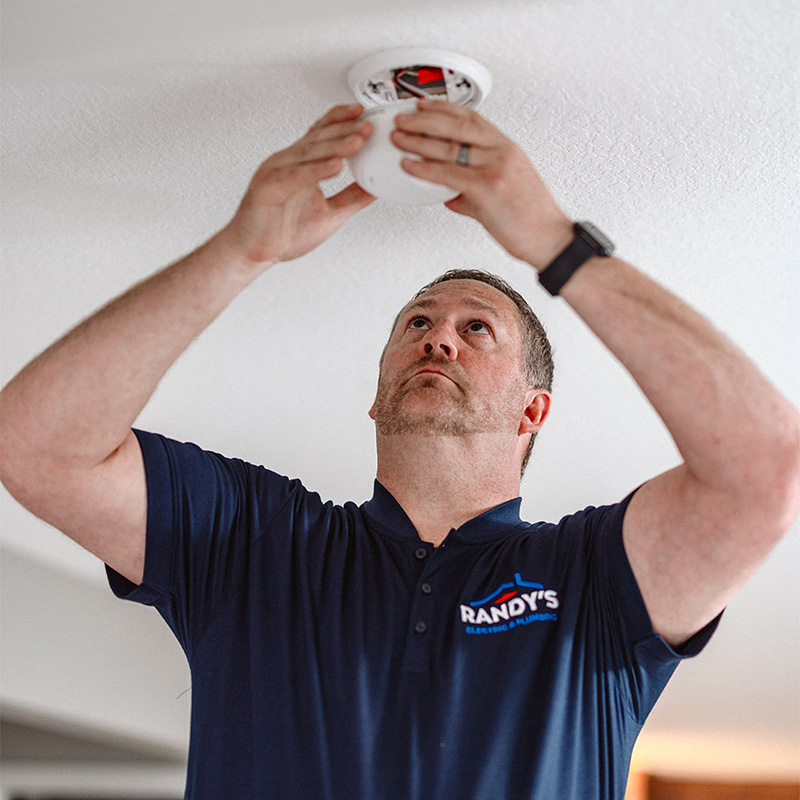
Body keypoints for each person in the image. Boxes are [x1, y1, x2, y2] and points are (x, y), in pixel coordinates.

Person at [0, 100, 798, 799]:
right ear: (377, 392)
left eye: (475, 327)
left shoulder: (594, 578)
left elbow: (765, 470)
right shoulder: (253, 539)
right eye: (416, 323)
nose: (438, 337)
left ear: (534, 410)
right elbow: (34, 446)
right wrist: (239, 250)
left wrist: (555, 240)